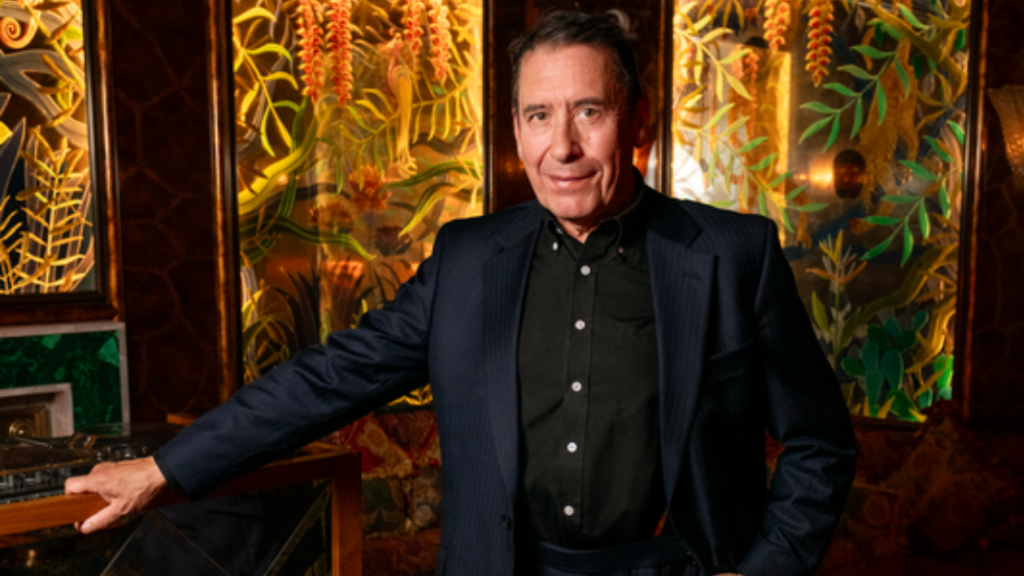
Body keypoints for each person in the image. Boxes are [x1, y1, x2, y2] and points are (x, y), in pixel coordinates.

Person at [67, 10, 855, 576]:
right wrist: (165, 469)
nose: (563, 146)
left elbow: (820, 442)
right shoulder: (469, 260)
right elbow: (328, 378)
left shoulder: (733, 254)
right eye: (539, 116)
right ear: (516, 131)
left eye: (589, 112)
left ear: (638, 120)